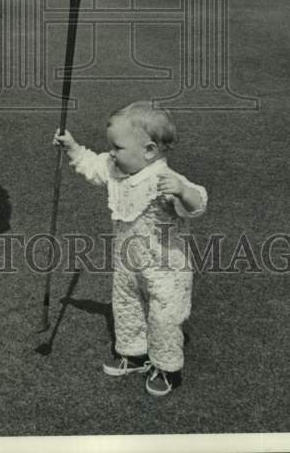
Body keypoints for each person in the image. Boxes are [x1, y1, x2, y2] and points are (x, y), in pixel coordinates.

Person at [53, 102, 207, 397]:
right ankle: (134, 353)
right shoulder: (116, 169)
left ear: (149, 151)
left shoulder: (166, 180)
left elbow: (197, 203)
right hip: (127, 263)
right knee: (126, 305)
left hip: (165, 269)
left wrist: (183, 192)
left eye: (118, 147)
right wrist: (71, 146)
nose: (110, 152)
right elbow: (92, 165)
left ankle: (166, 367)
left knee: (164, 316)